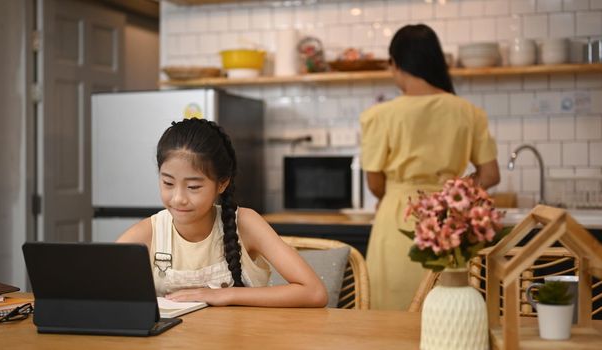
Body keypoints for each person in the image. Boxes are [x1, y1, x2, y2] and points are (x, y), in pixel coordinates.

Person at [360, 24, 500, 310]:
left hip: (397, 217)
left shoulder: (380, 115)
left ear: (396, 64)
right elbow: (490, 174)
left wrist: (396, 194)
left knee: (391, 308)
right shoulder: (468, 112)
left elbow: (374, 183)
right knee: (449, 305)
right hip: (449, 222)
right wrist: (455, 194)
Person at [118, 118, 327, 307]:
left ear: (222, 184)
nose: (178, 198)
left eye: (193, 187)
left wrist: (225, 295)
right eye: (168, 183)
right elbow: (94, 289)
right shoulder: (148, 233)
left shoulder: (245, 224)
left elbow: (314, 292)